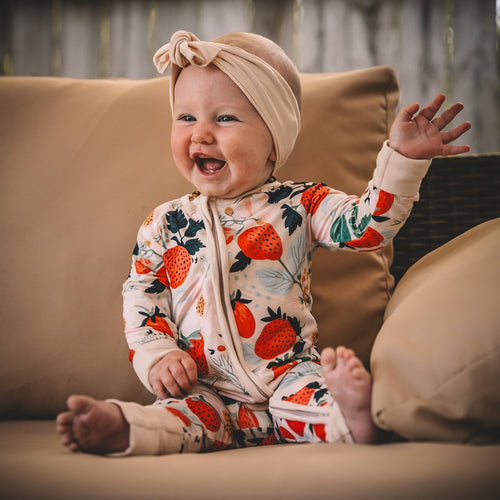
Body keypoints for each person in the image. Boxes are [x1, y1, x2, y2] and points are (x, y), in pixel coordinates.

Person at [56, 30, 470, 455]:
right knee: (177, 419)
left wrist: (402, 161)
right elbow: (142, 298)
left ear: (274, 139)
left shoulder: (301, 205)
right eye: (185, 118)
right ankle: (124, 428)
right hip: (205, 388)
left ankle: (352, 418)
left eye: (224, 118)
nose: (200, 135)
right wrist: (157, 356)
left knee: (313, 401)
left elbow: (366, 227)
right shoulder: (165, 223)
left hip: (288, 374)